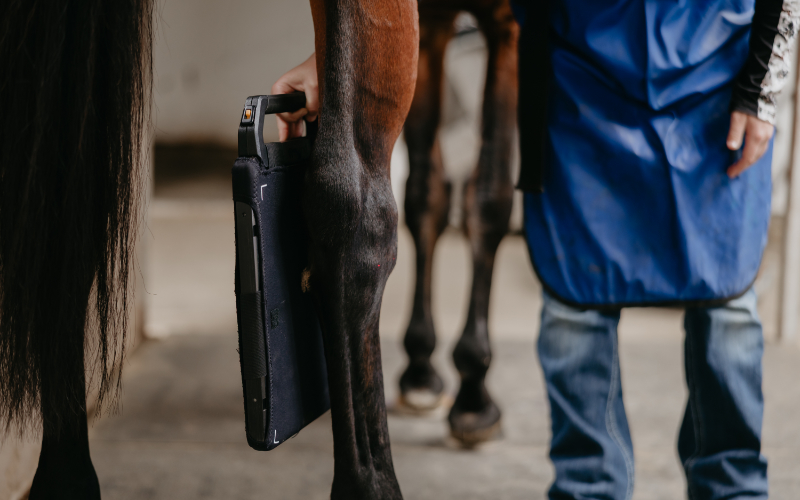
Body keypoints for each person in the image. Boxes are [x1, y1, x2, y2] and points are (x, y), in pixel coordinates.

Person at [272, 0, 797, 497]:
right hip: (582, 74)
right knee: (576, 313)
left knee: (726, 312)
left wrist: (761, 83)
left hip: (715, 73)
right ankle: (589, 487)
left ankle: (732, 488)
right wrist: (341, 56)